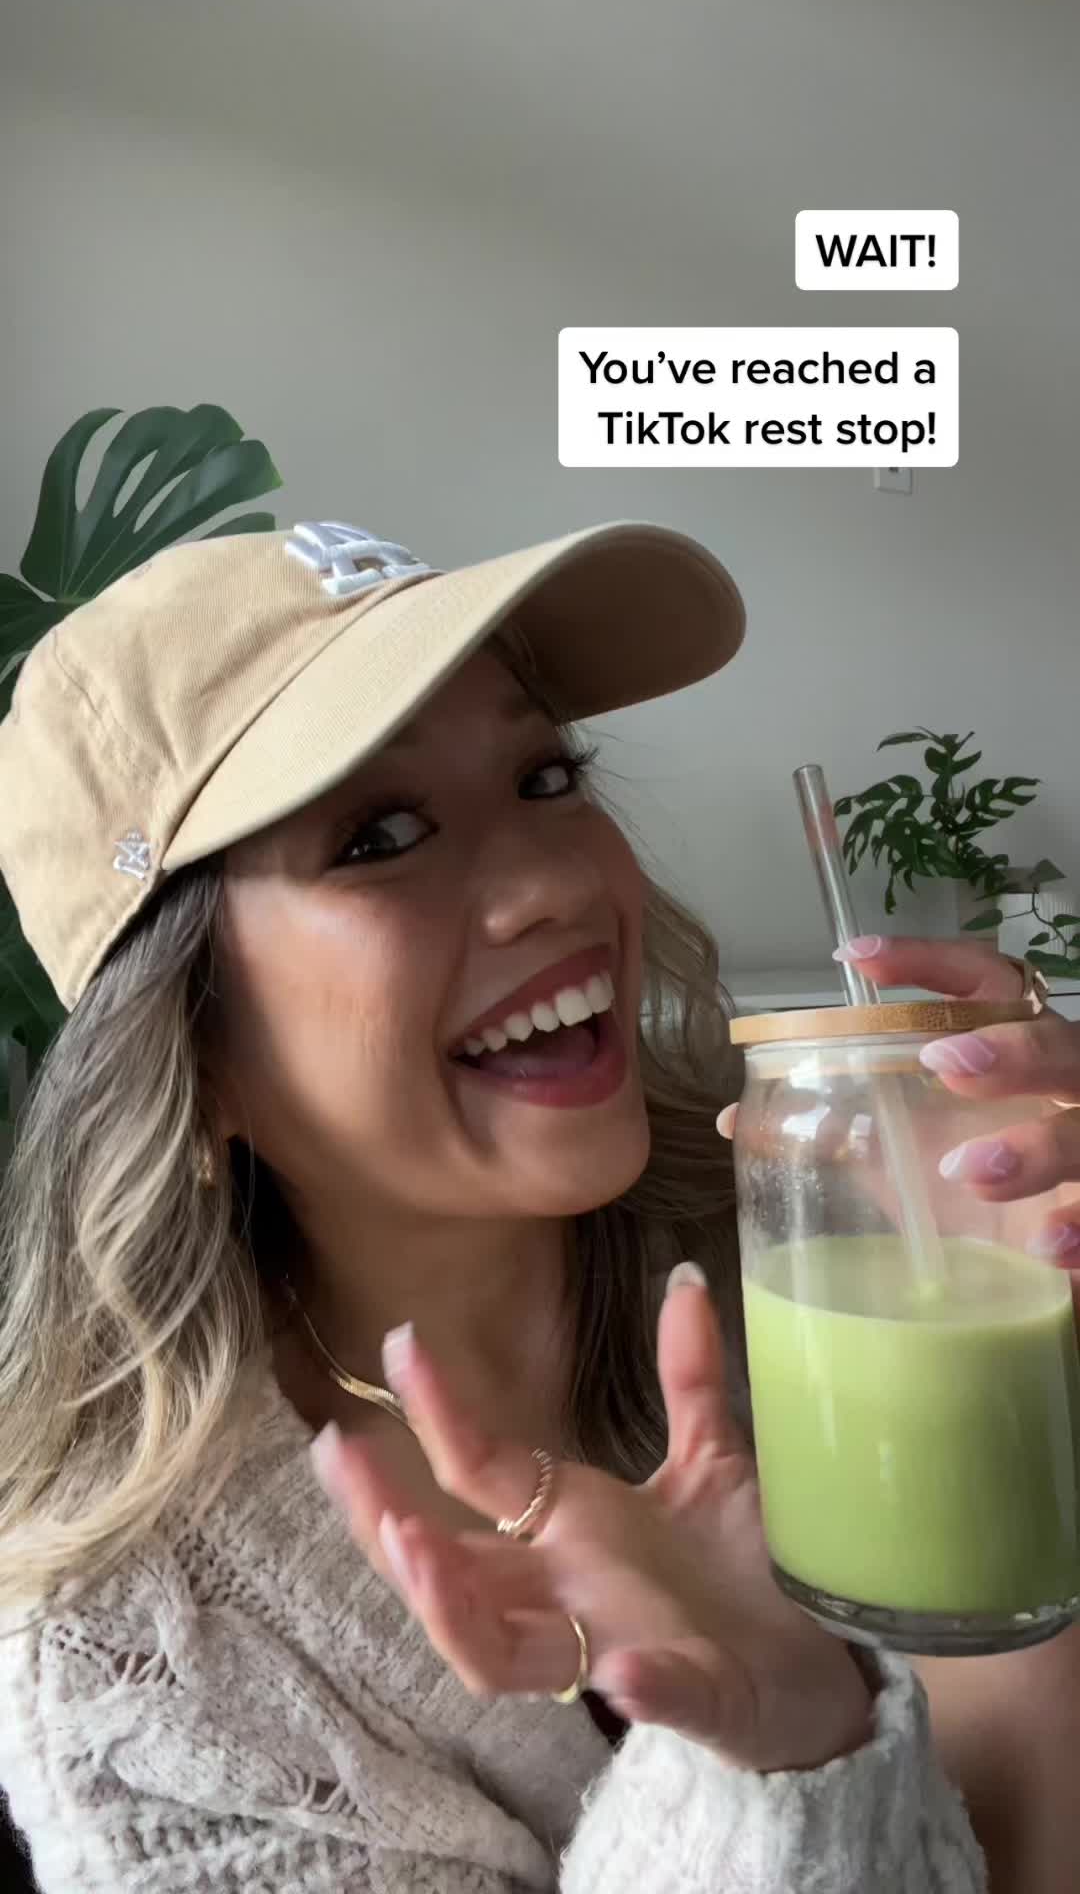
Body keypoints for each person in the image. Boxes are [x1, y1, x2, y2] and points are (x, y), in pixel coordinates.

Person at [0, 511, 1066, 1892]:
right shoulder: (129, 1653)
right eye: (379, 835)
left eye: (548, 775)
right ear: (196, 1053)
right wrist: (775, 1751)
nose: (562, 882)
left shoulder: (824, 1228)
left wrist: (1039, 1377)